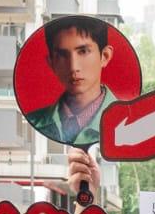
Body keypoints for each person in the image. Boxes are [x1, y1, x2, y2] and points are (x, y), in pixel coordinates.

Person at [25, 15, 119, 146]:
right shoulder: (34, 121)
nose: (73, 67)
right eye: (62, 55)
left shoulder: (127, 120)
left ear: (105, 56)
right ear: (51, 63)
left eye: (83, 51)